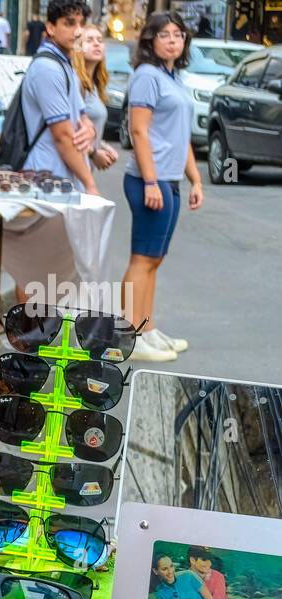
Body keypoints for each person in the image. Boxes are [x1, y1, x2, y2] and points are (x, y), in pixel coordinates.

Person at [122, 12, 202, 362]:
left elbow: (180, 136)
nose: (172, 40)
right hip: (147, 180)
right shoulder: (147, 76)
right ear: (150, 41)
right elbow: (139, 131)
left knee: (155, 259)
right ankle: (127, 336)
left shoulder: (175, 78)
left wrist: (195, 178)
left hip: (169, 180)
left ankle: (146, 329)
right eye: (164, 34)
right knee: (141, 259)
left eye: (178, 35)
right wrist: (151, 180)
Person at [18, 0, 99, 195]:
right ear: (51, 28)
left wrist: (90, 130)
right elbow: (62, 136)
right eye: (69, 23)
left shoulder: (64, 64)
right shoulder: (48, 67)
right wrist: (90, 184)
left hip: (60, 179)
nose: (78, 31)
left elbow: (82, 118)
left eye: (81, 23)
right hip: (45, 180)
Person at [74, 23, 120, 173]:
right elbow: (68, 133)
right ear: (78, 47)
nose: (96, 44)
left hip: (86, 169)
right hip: (73, 169)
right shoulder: (76, 81)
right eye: (90, 40)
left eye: (100, 40)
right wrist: (94, 153)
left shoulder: (94, 84)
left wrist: (103, 146)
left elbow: (90, 129)